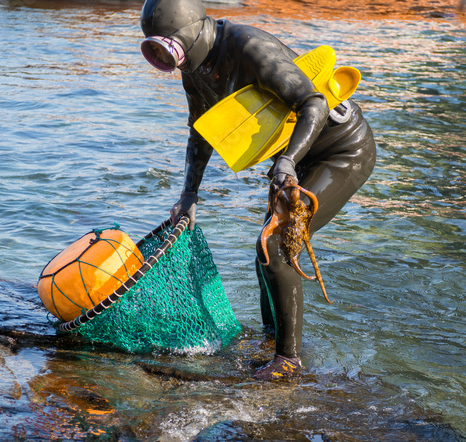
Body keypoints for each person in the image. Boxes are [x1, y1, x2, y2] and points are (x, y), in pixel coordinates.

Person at [140, 0, 376, 380]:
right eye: (160, 52)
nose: (172, 61)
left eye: (171, 50)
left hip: (342, 152)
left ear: (196, 32)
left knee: (277, 245)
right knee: (265, 254)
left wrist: (287, 162)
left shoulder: (249, 47)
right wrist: (188, 195)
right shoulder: (193, 67)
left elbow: (312, 104)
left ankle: (289, 362)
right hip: (295, 159)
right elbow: (201, 133)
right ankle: (273, 343)